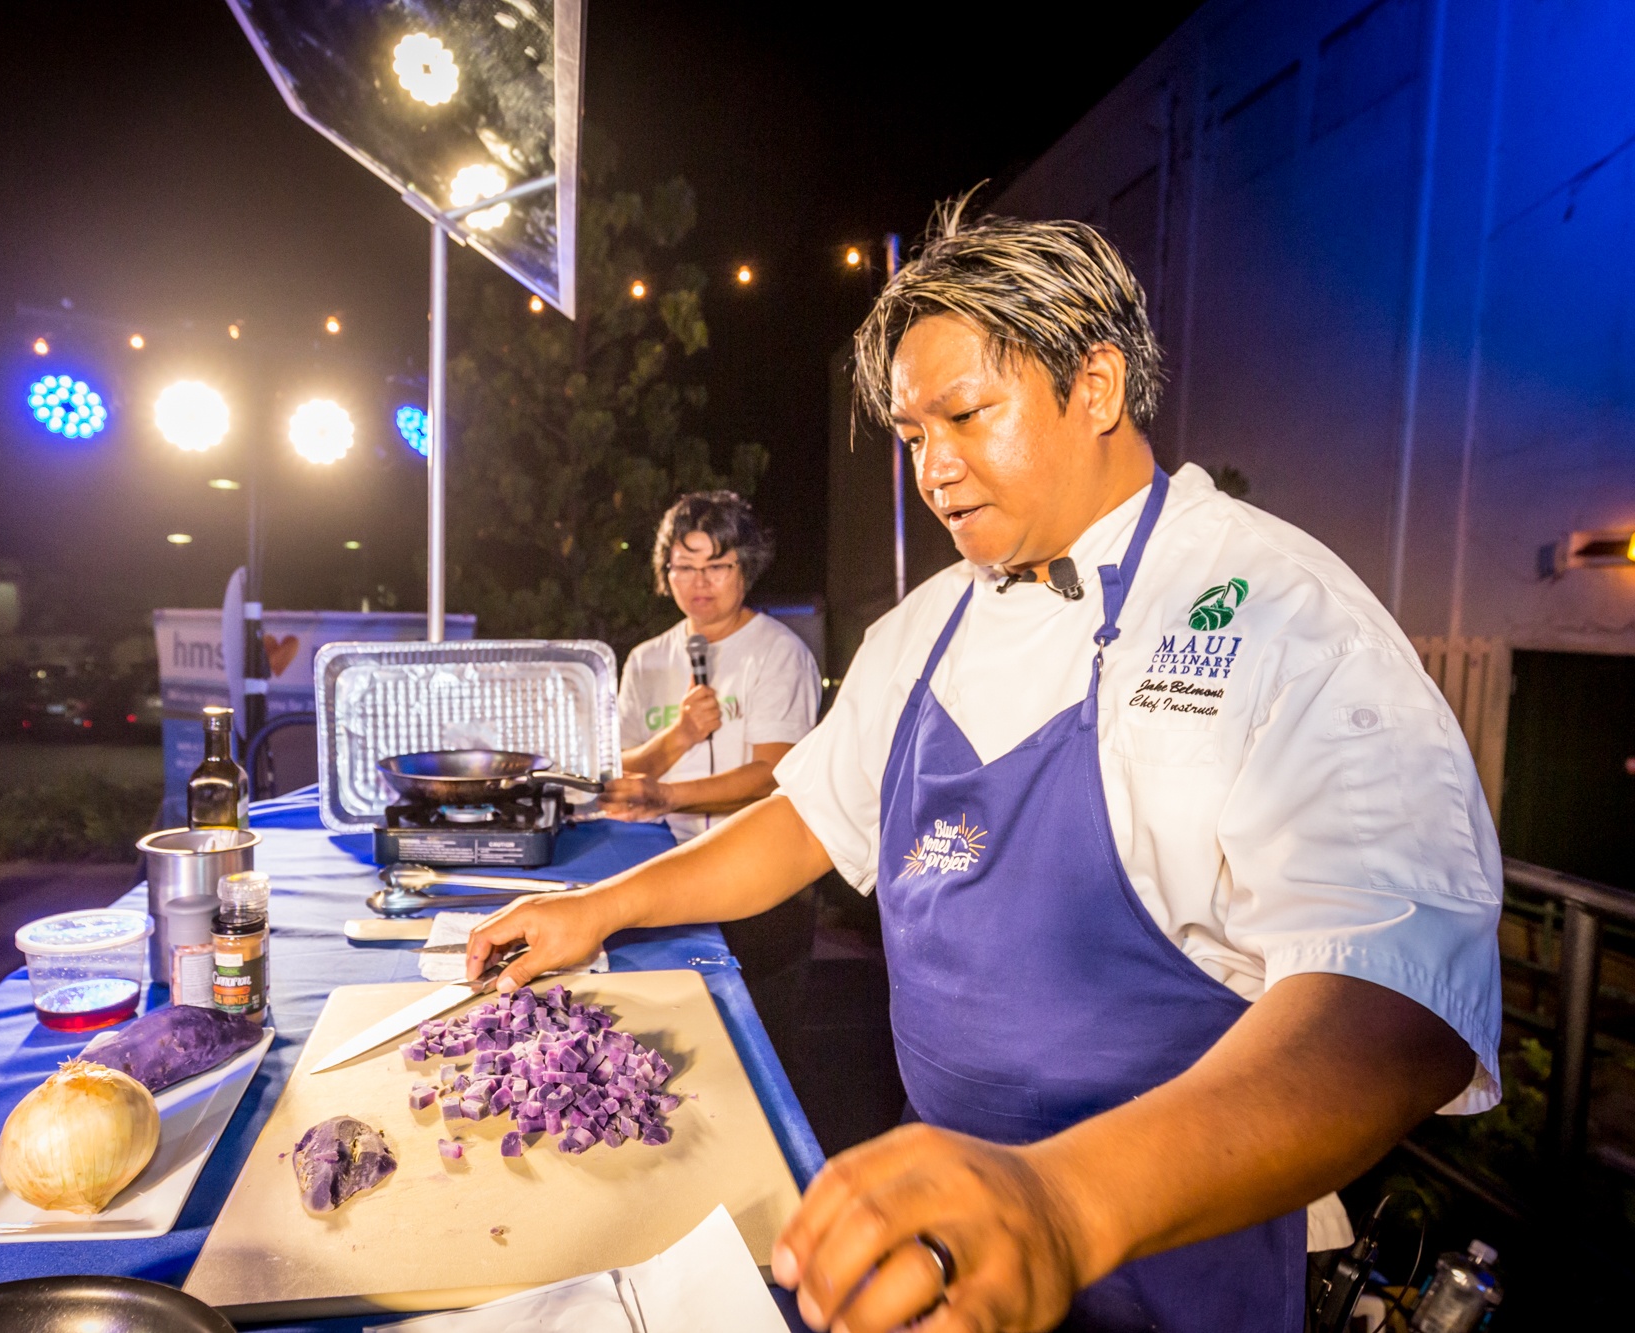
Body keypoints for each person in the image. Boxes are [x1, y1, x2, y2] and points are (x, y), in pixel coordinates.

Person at [470, 204, 1502, 1332]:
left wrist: (1059, 1204)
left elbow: (1396, 1005)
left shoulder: (1276, 611)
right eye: (913, 436)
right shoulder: (924, 630)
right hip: (946, 1220)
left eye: (966, 415)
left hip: (1166, 1249)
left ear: (1095, 386)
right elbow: (806, 819)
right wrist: (601, 905)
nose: (933, 469)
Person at [604, 492, 821, 1052]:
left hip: (763, 886)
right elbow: (618, 768)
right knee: (673, 1045)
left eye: (717, 566)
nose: (699, 582)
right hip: (665, 875)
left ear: (744, 568)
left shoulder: (778, 653)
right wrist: (676, 737)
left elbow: (773, 774)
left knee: (760, 1048)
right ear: (665, 572)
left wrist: (668, 794)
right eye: (685, 567)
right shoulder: (648, 658)